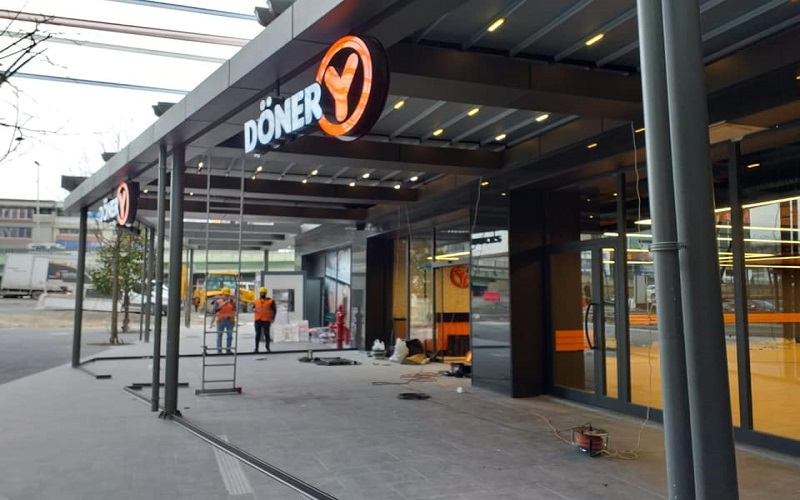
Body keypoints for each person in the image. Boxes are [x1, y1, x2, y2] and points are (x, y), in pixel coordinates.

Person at [253, 286, 277, 353]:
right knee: (257, 334)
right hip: (258, 319)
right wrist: (253, 309)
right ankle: (256, 348)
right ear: (259, 293)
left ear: (265, 293)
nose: (262, 294)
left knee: (267, 334)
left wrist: (273, 318)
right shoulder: (256, 301)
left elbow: (274, 310)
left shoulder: (270, 301)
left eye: (263, 293)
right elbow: (253, 308)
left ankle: (267, 347)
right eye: (261, 293)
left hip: (266, 320)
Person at [213, 287, 237, 354]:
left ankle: (228, 350)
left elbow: (235, 309)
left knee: (229, 336)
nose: (226, 296)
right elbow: (214, 311)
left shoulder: (232, 302)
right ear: (222, 294)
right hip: (220, 320)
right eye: (225, 295)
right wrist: (222, 304)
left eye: (228, 295)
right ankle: (219, 350)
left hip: (230, 320)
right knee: (219, 335)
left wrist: (232, 303)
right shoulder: (218, 302)